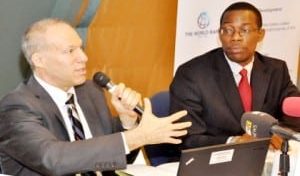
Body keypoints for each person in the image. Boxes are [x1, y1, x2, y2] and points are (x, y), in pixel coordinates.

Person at [0, 18, 191, 176]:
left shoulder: (89, 92)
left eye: (81, 48)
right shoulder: (17, 107)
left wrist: (127, 123)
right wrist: (135, 137)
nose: (83, 57)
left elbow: (116, 159)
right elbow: (53, 160)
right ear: (39, 60)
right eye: (70, 51)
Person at [170, 1, 300, 149]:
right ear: (219, 34)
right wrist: (234, 142)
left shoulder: (276, 70)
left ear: (260, 34)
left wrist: (280, 134)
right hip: (215, 161)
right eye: (228, 30)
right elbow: (187, 138)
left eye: (244, 30)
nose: (235, 37)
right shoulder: (192, 74)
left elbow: (295, 118)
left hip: (267, 159)